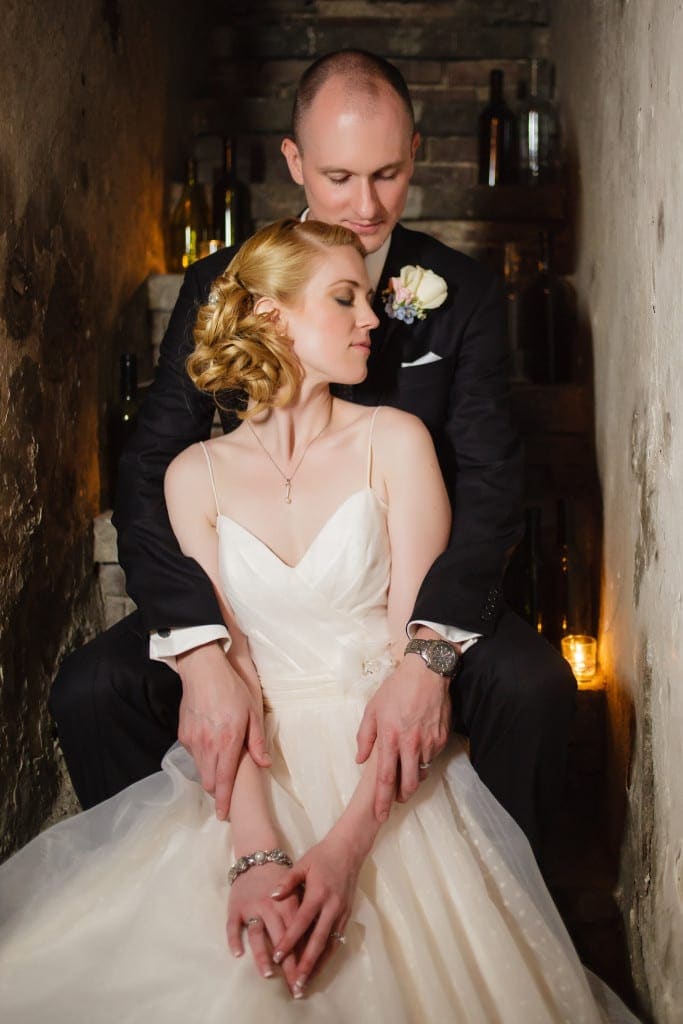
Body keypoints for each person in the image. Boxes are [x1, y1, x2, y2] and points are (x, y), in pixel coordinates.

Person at [0, 220, 637, 1023]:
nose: (371, 320)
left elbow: (416, 669)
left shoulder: (396, 442)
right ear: (270, 317)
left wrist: (342, 854)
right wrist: (256, 854)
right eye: (345, 299)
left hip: (383, 756)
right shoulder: (194, 477)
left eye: (369, 300)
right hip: (250, 769)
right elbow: (231, 691)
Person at [50, 49, 575, 856]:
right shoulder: (218, 286)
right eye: (337, 177)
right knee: (93, 687)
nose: (365, 206)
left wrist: (427, 654)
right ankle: (158, 873)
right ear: (293, 161)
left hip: (404, 579)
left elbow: (490, 479)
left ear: (416, 153)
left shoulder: (458, 290)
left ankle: (525, 908)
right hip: (253, 595)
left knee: (533, 684)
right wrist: (199, 652)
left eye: (388, 174)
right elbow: (150, 469)